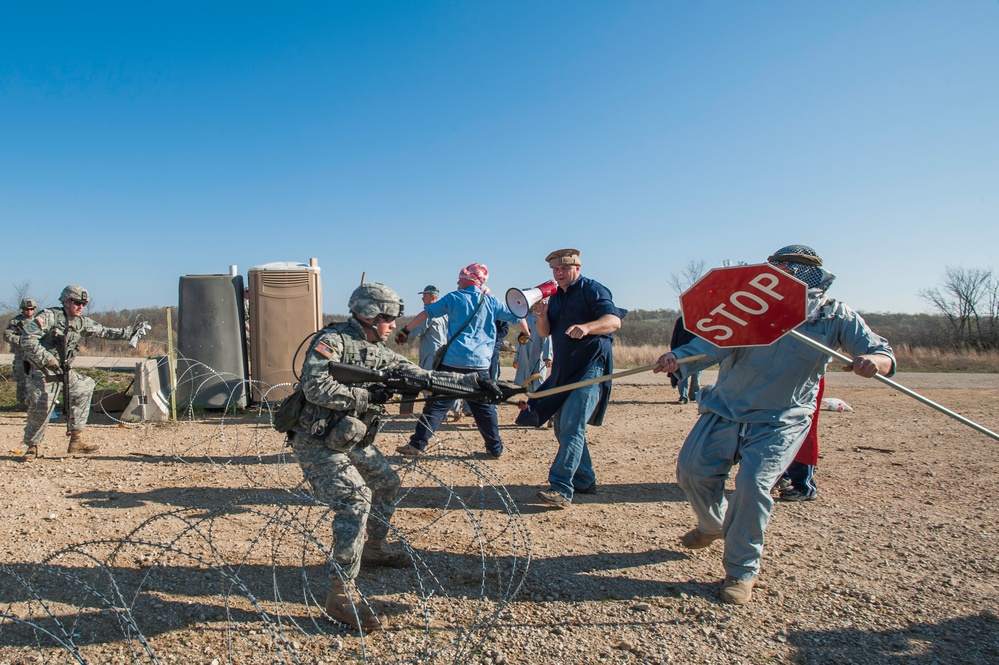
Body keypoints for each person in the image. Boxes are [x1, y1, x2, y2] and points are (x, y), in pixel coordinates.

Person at [654, 245, 896, 605]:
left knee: (752, 486)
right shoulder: (747, 305)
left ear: (805, 273)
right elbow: (711, 345)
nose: (775, 273)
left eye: (784, 268)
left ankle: (741, 571)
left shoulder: (832, 315)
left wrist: (873, 361)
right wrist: (678, 358)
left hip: (782, 418)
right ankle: (712, 524)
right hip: (726, 407)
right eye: (774, 267)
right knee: (692, 470)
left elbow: (882, 353)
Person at [289, 282, 494, 631]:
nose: (392, 326)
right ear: (369, 315)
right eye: (387, 319)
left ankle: (374, 547)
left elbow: (425, 376)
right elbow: (316, 387)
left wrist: (477, 386)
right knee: (355, 499)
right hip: (317, 438)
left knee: (386, 482)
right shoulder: (331, 342)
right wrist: (368, 397)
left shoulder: (378, 350)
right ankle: (340, 593)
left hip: (349, 436)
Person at [516, 248, 626, 507]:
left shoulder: (593, 290)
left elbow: (614, 321)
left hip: (590, 366)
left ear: (577, 268)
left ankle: (561, 488)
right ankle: (585, 479)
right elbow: (544, 333)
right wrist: (541, 314)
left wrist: (588, 327)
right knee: (562, 426)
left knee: (571, 427)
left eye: (564, 269)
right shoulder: (554, 296)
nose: (559, 273)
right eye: (555, 269)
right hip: (564, 369)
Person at [395, 263, 527, 459]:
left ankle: (417, 444)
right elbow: (518, 316)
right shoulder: (491, 301)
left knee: (437, 403)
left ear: (468, 279)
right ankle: (495, 448)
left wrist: (405, 330)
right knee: (483, 408)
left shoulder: (454, 298)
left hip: (453, 362)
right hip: (481, 365)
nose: (457, 281)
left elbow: (426, 313)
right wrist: (527, 334)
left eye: (460, 278)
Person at [18, 285, 147, 461]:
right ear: (66, 301)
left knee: (84, 387)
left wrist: (129, 333)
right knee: (42, 405)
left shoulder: (80, 322)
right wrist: (47, 359)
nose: (80, 307)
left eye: (84, 304)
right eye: (77, 302)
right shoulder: (49, 317)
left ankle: (76, 439)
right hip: (43, 370)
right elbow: (27, 338)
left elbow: (104, 331)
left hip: (63, 369)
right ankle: (32, 447)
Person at [774, 377, 825, 501]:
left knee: (804, 428)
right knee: (774, 425)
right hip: (777, 375)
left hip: (806, 377)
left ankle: (804, 485)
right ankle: (781, 477)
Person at [513, 299, 553, 392]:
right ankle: (531, 403)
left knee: (538, 381)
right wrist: (517, 358)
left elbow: (547, 337)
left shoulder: (544, 317)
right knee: (527, 383)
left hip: (538, 353)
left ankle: (539, 403)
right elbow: (522, 338)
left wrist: (547, 356)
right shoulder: (526, 318)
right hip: (525, 352)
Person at [3, 297, 36, 409]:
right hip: (21, 355)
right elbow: (7, 335)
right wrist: (22, 341)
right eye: (26, 309)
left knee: (36, 380)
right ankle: (22, 403)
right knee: (22, 379)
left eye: (31, 309)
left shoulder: (39, 321)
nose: (29, 311)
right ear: (23, 309)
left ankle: (34, 403)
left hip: (36, 355)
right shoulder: (16, 322)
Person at [669, 316, 700, 404]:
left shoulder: (700, 318)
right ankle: (683, 397)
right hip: (681, 351)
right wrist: (674, 351)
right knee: (682, 375)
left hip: (697, 351)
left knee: (696, 375)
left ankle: (695, 395)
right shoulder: (681, 320)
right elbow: (675, 336)